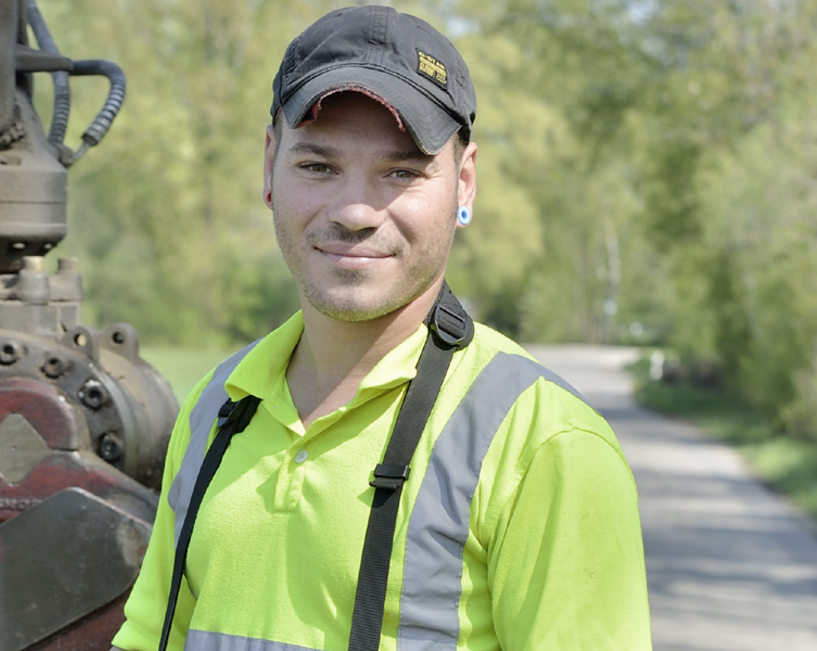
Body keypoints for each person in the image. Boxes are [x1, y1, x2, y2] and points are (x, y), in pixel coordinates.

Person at [110, 6, 650, 651]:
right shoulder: (217, 406)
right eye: (318, 167)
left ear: (464, 181)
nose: (356, 211)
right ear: (269, 167)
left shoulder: (546, 445)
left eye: (402, 172)